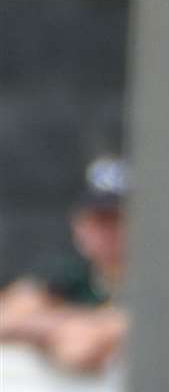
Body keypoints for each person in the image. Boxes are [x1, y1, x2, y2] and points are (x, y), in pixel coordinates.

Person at [0, 153, 130, 373]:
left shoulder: (159, 287)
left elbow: (80, 350)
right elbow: (6, 317)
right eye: (97, 219)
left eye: (115, 220)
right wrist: (63, 325)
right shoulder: (73, 273)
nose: (105, 233)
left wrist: (42, 327)